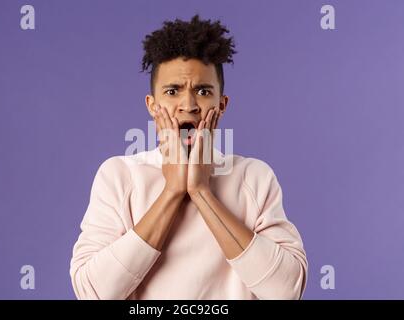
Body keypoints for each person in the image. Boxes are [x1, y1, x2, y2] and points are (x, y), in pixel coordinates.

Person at [70, 14, 307, 300]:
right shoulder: (120, 175)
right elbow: (93, 293)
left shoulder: (253, 176)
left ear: (222, 104)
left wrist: (201, 191)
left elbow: (285, 291)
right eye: (173, 91)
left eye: (203, 91)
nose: (189, 105)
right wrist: (172, 191)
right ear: (152, 105)